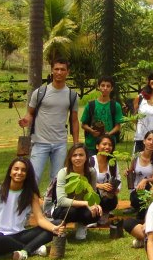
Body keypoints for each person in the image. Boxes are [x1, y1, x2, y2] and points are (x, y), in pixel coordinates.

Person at [19, 59, 80, 188]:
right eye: (56, 69)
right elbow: (30, 113)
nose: (59, 72)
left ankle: (52, 207)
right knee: (33, 177)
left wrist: (76, 144)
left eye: (62, 69)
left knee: (57, 180)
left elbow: (74, 120)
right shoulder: (40, 92)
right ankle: (28, 206)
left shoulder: (72, 95)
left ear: (67, 72)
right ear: (52, 71)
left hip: (60, 143)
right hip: (40, 142)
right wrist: (26, 121)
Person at [50, 144, 102, 240]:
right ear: (70, 158)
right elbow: (61, 200)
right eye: (74, 155)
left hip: (82, 208)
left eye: (81, 155)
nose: (77, 158)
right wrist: (86, 203)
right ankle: (61, 226)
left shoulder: (91, 172)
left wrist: (95, 204)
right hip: (63, 208)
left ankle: (82, 225)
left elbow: (92, 193)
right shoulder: (63, 172)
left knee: (96, 212)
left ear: (86, 157)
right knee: (71, 211)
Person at [80, 76, 124, 150]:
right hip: (91, 144)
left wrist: (108, 134)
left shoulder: (115, 106)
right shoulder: (91, 105)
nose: (105, 88)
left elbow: (118, 126)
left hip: (108, 145)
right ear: (99, 87)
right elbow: (83, 125)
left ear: (112, 88)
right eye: (103, 85)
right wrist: (91, 131)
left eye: (108, 86)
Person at [91, 134, 120, 217]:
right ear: (97, 146)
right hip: (92, 194)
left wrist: (116, 188)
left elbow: (118, 178)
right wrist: (99, 185)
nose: (107, 147)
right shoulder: (90, 161)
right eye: (104, 144)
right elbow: (84, 182)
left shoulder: (113, 162)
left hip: (106, 196)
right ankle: (94, 213)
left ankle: (105, 212)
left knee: (110, 199)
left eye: (110, 145)